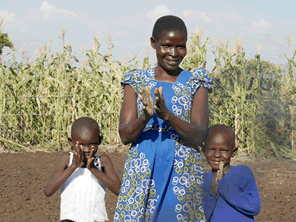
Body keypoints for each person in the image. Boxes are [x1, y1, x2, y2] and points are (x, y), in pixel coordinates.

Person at [114, 15, 214, 222]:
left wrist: (168, 116)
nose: (174, 53)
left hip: (181, 169)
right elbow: (125, 135)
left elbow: (199, 135)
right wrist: (145, 116)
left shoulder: (196, 83)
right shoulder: (136, 81)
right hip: (142, 168)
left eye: (181, 47)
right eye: (166, 45)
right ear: (153, 43)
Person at [44, 117, 121, 222]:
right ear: (71, 142)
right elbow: (48, 191)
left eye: (91, 144)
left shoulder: (103, 161)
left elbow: (120, 192)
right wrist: (73, 166)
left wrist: (93, 169)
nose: (86, 149)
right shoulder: (67, 159)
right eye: (81, 145)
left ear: (100, 141)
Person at [202, 124, 261, 222]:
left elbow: (254, 207)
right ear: (204, 150)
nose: (217, 155)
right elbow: (203, 217)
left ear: (233, 152)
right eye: (212, 149)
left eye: (223, 150)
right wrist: (213, 194)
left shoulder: (242, 173)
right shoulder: (202, 180)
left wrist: (224, 187)